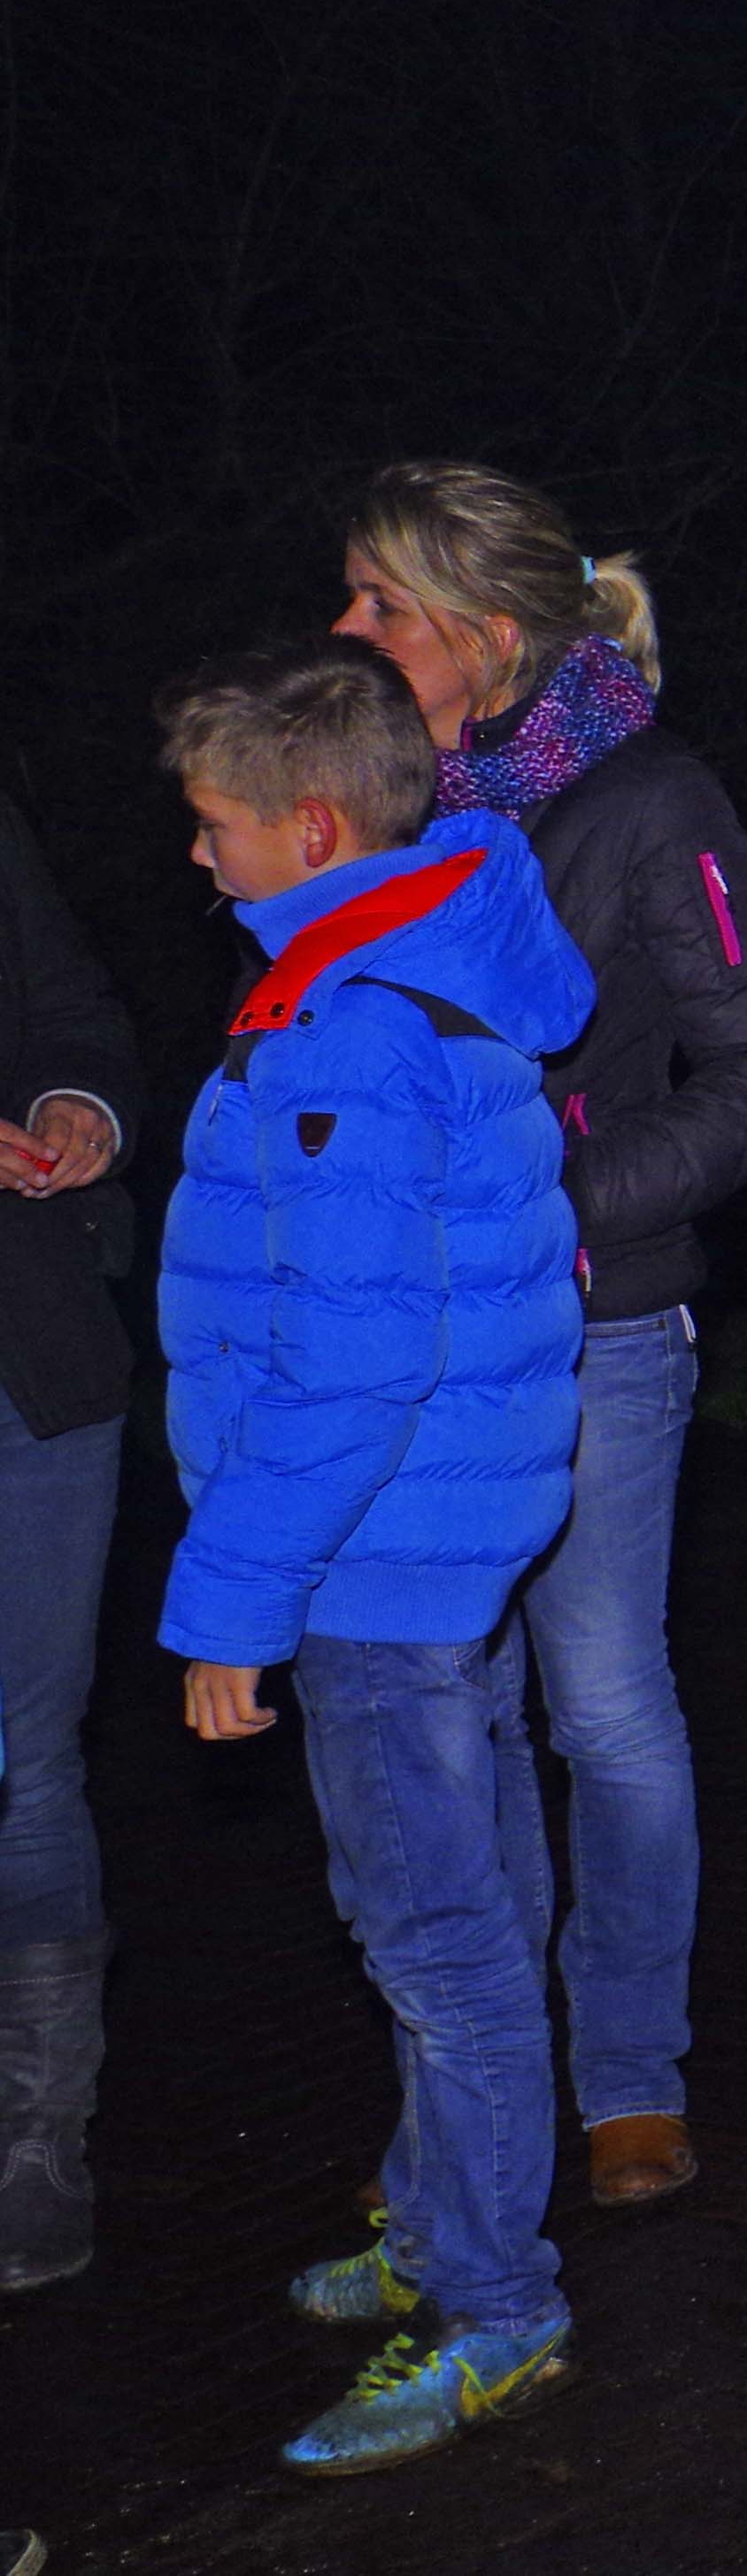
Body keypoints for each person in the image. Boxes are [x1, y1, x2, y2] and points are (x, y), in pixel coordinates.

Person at [335, 464, 747, 2210]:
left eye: (381, 605)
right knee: (435, 1720)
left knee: (600, 1708)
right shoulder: (362, 809)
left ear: (481, 634)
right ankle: (471, 2113)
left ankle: (627, 2071)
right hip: (407, 1341)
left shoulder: (650, 797)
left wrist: (578, 1189)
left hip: (591, 1320)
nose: (349, 632)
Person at [150, 636, 599, 2474]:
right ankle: (440, 2216)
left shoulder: (349, 1023)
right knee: (464, 1899)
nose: (196, 855)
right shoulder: (405, 972)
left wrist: (231, 1603)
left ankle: (498, 2304)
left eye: (216, 824)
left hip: (373, 1558)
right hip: (437, 1538)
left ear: (311, 823)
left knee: (436, 1940)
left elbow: (347, 1361)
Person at [0, 797, 138, 2296]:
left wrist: (80, 1110)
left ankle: (38, 2156)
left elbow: (73, 1011)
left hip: (26, 1369)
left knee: (27, 1762)